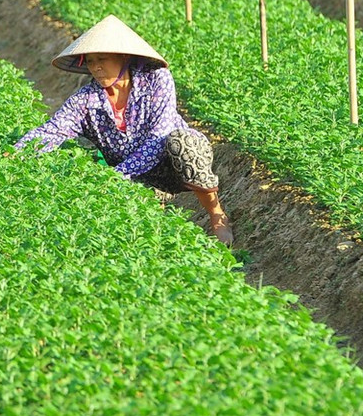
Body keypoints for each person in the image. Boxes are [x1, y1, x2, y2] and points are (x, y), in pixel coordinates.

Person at [14, 14, 234, 246]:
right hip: (138, 177)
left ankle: (216, 214)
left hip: (174, 161)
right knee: (143, 227)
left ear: (124, 57)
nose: (96, 67)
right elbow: (54, 130)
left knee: (184, 142)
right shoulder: (86, 100)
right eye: (89, 61)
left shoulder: (156, 79)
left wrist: (115, 176)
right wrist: (18, 152)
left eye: (102, 59)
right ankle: (160, 237)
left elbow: (160, 136)